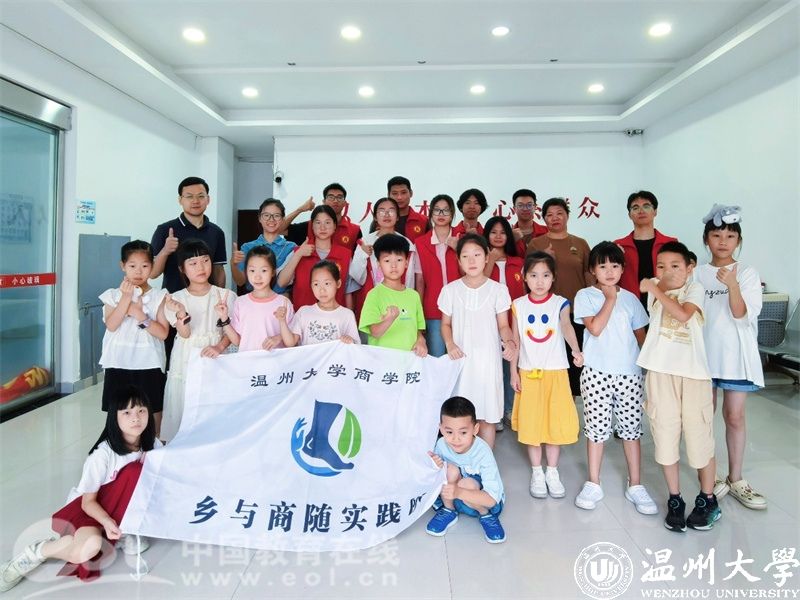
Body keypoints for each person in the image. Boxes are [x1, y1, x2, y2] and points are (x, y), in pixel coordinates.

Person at [0, 386, 160, 589]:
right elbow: (87, 502)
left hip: (120, 511)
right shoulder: (103, 455)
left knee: (147, 473)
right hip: (90, 510)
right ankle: (37, 552)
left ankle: (122, 531)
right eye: (127, 412)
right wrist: (107, 521)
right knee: (88, 549)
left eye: (141, 410)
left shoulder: (153, 445)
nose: (135, 418)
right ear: (114, 417)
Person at [637, 241, 720, 532]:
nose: (668, 271)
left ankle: (708, 499)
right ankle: (675, 499)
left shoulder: (694, 289)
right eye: (661, 266)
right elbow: (661, 296)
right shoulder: (655, 289)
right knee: (665, 437)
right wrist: (656, 286)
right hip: (660, 373)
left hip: (694, 375)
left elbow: (683, 314)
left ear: (689, 268)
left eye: (675, 266)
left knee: (699, 440)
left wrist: (654, 286)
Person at [572, 242, 657, 514]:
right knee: (596, 430)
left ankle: (636, 484)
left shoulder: (631, 299)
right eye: (603, 266)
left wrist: (651, 367)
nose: (609, 271)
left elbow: (641, 336)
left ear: (622, 268)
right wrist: (609, 299)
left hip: (629, 374)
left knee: (631, 430)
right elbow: (595, 329)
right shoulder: (585, 295)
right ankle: (593, 482)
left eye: (615, 265)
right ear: (592, 270)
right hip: (596, 373)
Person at [694, 205, 766, 510]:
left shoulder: (747, 273)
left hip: (736, 357)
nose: (723, 241)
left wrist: (733, 285)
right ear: (706, 239)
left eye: (730, 236)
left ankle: (736, 478)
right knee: (703, 418)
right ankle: (708, 479)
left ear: (738, 240)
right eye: (716, 235)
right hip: (702, 357)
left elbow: (740, 314)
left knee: (734, 416)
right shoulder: (696, 273)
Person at [509, 251, 582, 499]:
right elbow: (516, 341)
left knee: (554, 423)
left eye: (545, 275)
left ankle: (552, 471)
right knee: (532, 425)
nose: (539, 281)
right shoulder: (518, 305)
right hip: (528, 372)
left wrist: (576, 350)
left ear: (553, 277)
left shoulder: (560, 303)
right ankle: (536, 472)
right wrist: (513, 372)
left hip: (555, 372)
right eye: (534, 275)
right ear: (524, 277)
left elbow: (566, 326)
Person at [439, 233, 516, 449]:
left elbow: (503, 325)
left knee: (487, 416)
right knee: (460, 416)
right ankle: (463, 460)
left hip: (488, 361)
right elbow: (445, 324)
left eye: (477, 255)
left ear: (486, 257)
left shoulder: (498, 290)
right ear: (458, 260)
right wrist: (450, 344)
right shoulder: (450, 290)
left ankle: (485, 461)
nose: (471, 261)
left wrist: (509, 342)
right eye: (465, 256)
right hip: (461, 361)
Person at [160, 240, 234, 441]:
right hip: (186, 358)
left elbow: (231, 332)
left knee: (214, 407)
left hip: (217, 357)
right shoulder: (175, 299)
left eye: (205, 260)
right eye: (193, 263)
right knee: (185, 403)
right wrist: (180, 312)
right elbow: (184, 334)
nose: (201, 267)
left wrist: (219, 346)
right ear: (182, 269)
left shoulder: (226, 295)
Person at [98, 241, 169, 436]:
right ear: (123, 266)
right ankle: (119, 449)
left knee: (153, 409)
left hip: (149, 362)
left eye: (145, 266)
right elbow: (112, 325)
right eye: (132, 266)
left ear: (152, 266)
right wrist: (125, 298)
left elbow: (163, 333)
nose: (138, 271)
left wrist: (140, 315)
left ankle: (152, 448)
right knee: (119, 412)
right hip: (118, 362)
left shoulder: (160, 296)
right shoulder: (112, 295)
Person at [528, 197, 591, 396]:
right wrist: (545, 258)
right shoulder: (536, 244)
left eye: (559, 214)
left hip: (576, 312)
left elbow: (589, 274)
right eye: (549, 215)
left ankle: (574, 401)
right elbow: (528, 276)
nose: (555, 218)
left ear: (567, 216)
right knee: (552, 359)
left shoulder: (580, 243)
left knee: (575, 358)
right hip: (546, 312)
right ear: (543, 218)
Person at [425, 396, 506, 544]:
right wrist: (435, 465)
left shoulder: (483, 451)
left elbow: (491, 500)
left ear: (475, 429)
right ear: (441, 429)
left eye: (463, 433)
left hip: (482, 501)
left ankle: (486, 515)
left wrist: (459, 492)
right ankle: (449, 510)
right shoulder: (442, 444)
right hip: (454, 497)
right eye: (449, 432)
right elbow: (435, 478)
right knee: (448, 469)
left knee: (466, 483)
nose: (456, 439)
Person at [483, 216, 525, 430]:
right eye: (493, 232)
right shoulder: (480, 261)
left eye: (502, 232)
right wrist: (490, 259)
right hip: (488, 324)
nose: (498, 236)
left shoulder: (518, 262)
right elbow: (480, 284)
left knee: (511, 367)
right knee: (493, 369)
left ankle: (509, 409)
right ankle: (495, 412)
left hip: (513, 323)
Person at [150, 176, 227, 292]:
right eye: (189, 196)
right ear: (180, 200)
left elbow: (218, 269)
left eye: (201, 196)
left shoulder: (217, 232)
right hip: (173, 298)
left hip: (206, 299)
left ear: (208, 199)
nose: (195, 201)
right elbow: (153, 273)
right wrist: (165, 250)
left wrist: (220, 295)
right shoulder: (164, 230)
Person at [358, 234, 427, 355]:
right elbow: (375, 332)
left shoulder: (414, 296)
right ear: (379, 264)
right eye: (387, 261)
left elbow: (418, 329)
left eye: (399, 260)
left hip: (409, 361)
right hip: (383, 361)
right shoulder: (374, 295)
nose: (393, 265)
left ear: (406, 263)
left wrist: (421, 341)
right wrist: (389, 319)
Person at [349, 197, 417, 319]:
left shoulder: (407, 245)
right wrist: (363, 255)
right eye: (381, 211)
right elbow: (357, 277)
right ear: (375, 217)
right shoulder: (365, 242)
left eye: (391, 211)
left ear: (397, 216)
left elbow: (409, 280)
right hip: (371, 303)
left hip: (398, 304)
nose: (386, 215)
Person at [218, 246, 294, 352]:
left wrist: (279, 337)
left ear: (273, 272)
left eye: (264, 270)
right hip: (248, 361)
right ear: (246, 271)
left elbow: (292, 339)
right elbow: (237, 341)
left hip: (275, 362)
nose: (257, 277)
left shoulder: (283, 302)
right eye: (252, 270)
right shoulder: (240, 302)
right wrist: (224, 318)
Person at [277, 206, 353, 311]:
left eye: (327, 222)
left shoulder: (345, 255)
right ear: (312, 226)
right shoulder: (299, 251)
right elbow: (281, 282)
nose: (322, 227)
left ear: (335, 226)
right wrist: (298, 254)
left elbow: (348, 291)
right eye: (318, 223)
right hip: (303, 317)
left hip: (335, 318)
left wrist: (350, 316)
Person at [415, 194, 460, 357]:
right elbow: (420, 281)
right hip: (433, 309)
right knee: (437, 357)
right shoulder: (421, 243)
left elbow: (471, 274)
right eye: (437, 210)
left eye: (446, 210)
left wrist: (458, 249)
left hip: (462, 307)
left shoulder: (462, 238)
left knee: (462, 359)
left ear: (452, 213)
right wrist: (419, 312)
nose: (441, 214)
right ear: (430, 213)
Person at [614, 191, 677, 306]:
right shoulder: (618, 246)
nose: (641, 211)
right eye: (635, 207)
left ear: (655, 211)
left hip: (664, 306)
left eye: (646, 206)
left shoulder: (671, 244)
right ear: (629, 215)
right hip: (629, 307)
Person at [279, 261, 360, 346]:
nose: (322, 290)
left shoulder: (347, 315)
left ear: (338, 283)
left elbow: (355, 346)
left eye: (327, 283)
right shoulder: (304, 312)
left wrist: (350, 340)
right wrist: (282, 321)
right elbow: (290, 343)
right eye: (316, 284)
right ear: (311, 286)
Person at [230, 198, 297, 293]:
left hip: (281, 299)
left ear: (282, 219)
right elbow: (240, 282)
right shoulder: (247, 247)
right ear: (259, 218)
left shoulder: (291, 247)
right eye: (266, 215)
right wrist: (233, 264)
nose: (271, 219)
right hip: (254, 298)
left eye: (276, 216)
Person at [283, 183, 362, 253]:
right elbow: (280, 229)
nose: (335, 200)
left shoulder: (355, 231)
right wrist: (300, 210)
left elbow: (358, 258)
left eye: (339, 197)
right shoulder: (310, 226)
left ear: (345, 203)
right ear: (324, 202)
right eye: (331, 197)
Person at [386, 176, 428, 242]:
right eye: (395, 193)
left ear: (411, 193)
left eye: (403, 192)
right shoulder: (380, 221)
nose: (399, 197)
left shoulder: (424, 221)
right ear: (388, 195)